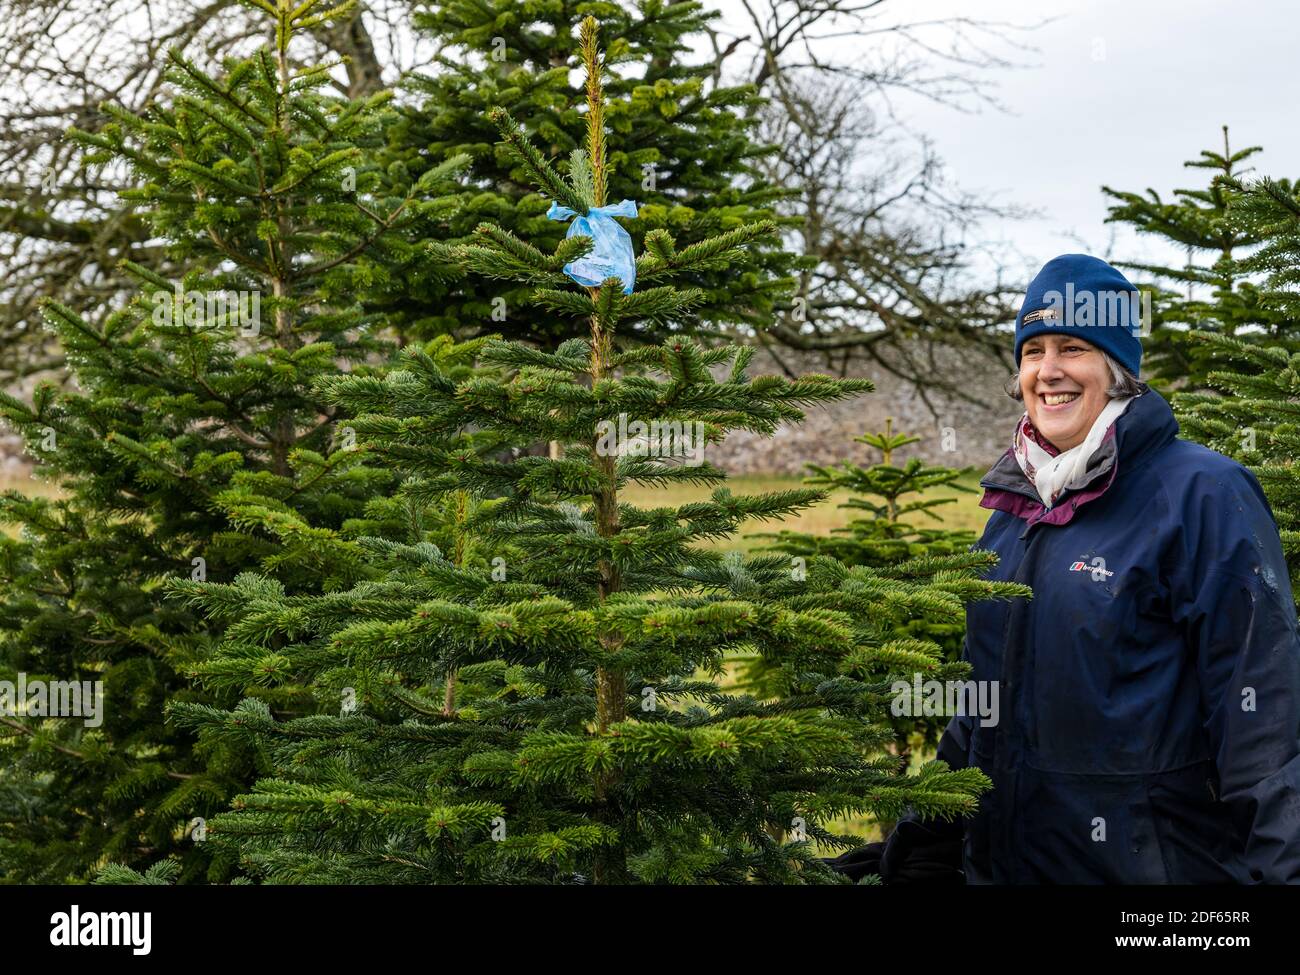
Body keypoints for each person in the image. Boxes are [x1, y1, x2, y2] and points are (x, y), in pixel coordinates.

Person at [828, 253, 1300, 884]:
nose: (1048, 372)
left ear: (1117, 369)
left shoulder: (1202, 496)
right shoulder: (1014, 506)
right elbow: (980, 709)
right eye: (1033, 351)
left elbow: (1262, 724)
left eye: (1073, 347)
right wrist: (922, 848)